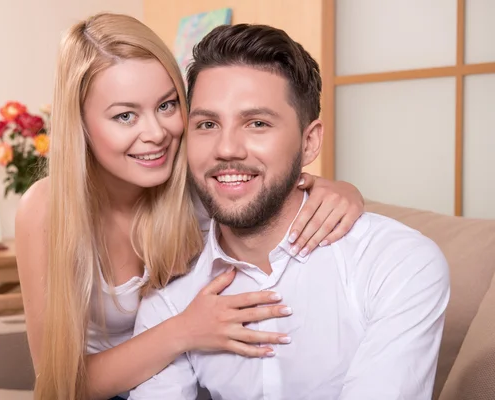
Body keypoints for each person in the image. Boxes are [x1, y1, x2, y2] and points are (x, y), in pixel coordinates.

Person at [15, 13, 365, 400]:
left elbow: (281, 181)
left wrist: (345, 191)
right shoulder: (46, 210)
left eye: (167, 105)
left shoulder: (204, 185)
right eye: (125, 116)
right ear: (80, 124)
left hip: (193, 382)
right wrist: (184, 330)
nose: (156, 133)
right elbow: (58, 384)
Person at [129, 23, 450, 400]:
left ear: (309, 141)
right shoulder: (169, 300)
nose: (227, 148)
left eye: (258, 123)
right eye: (207, 124)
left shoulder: (393, 263)